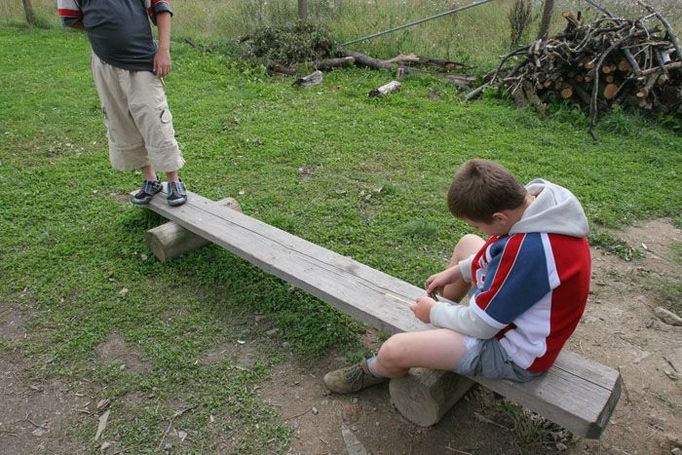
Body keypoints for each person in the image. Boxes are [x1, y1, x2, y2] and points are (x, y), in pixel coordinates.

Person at [324, 159, 591, 393]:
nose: (482, 231)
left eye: (479, 225)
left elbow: (484, 326)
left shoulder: (528, 252)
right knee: (468, 244)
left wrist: (433, 313)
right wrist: (457, 271)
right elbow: (499, 255)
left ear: (499, 217)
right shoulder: (542, 201)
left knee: (394, 350)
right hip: (511, 313)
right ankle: (444, 325)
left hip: (515, 351)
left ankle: (375, 369)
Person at [57, 0, 187, 206]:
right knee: (122, 122)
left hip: (143, 59)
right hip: (104, 63)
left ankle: (174, 180)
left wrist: (164, 50)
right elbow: (72, 18)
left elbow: (160, 8)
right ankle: (150, 179)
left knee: (155, 119)